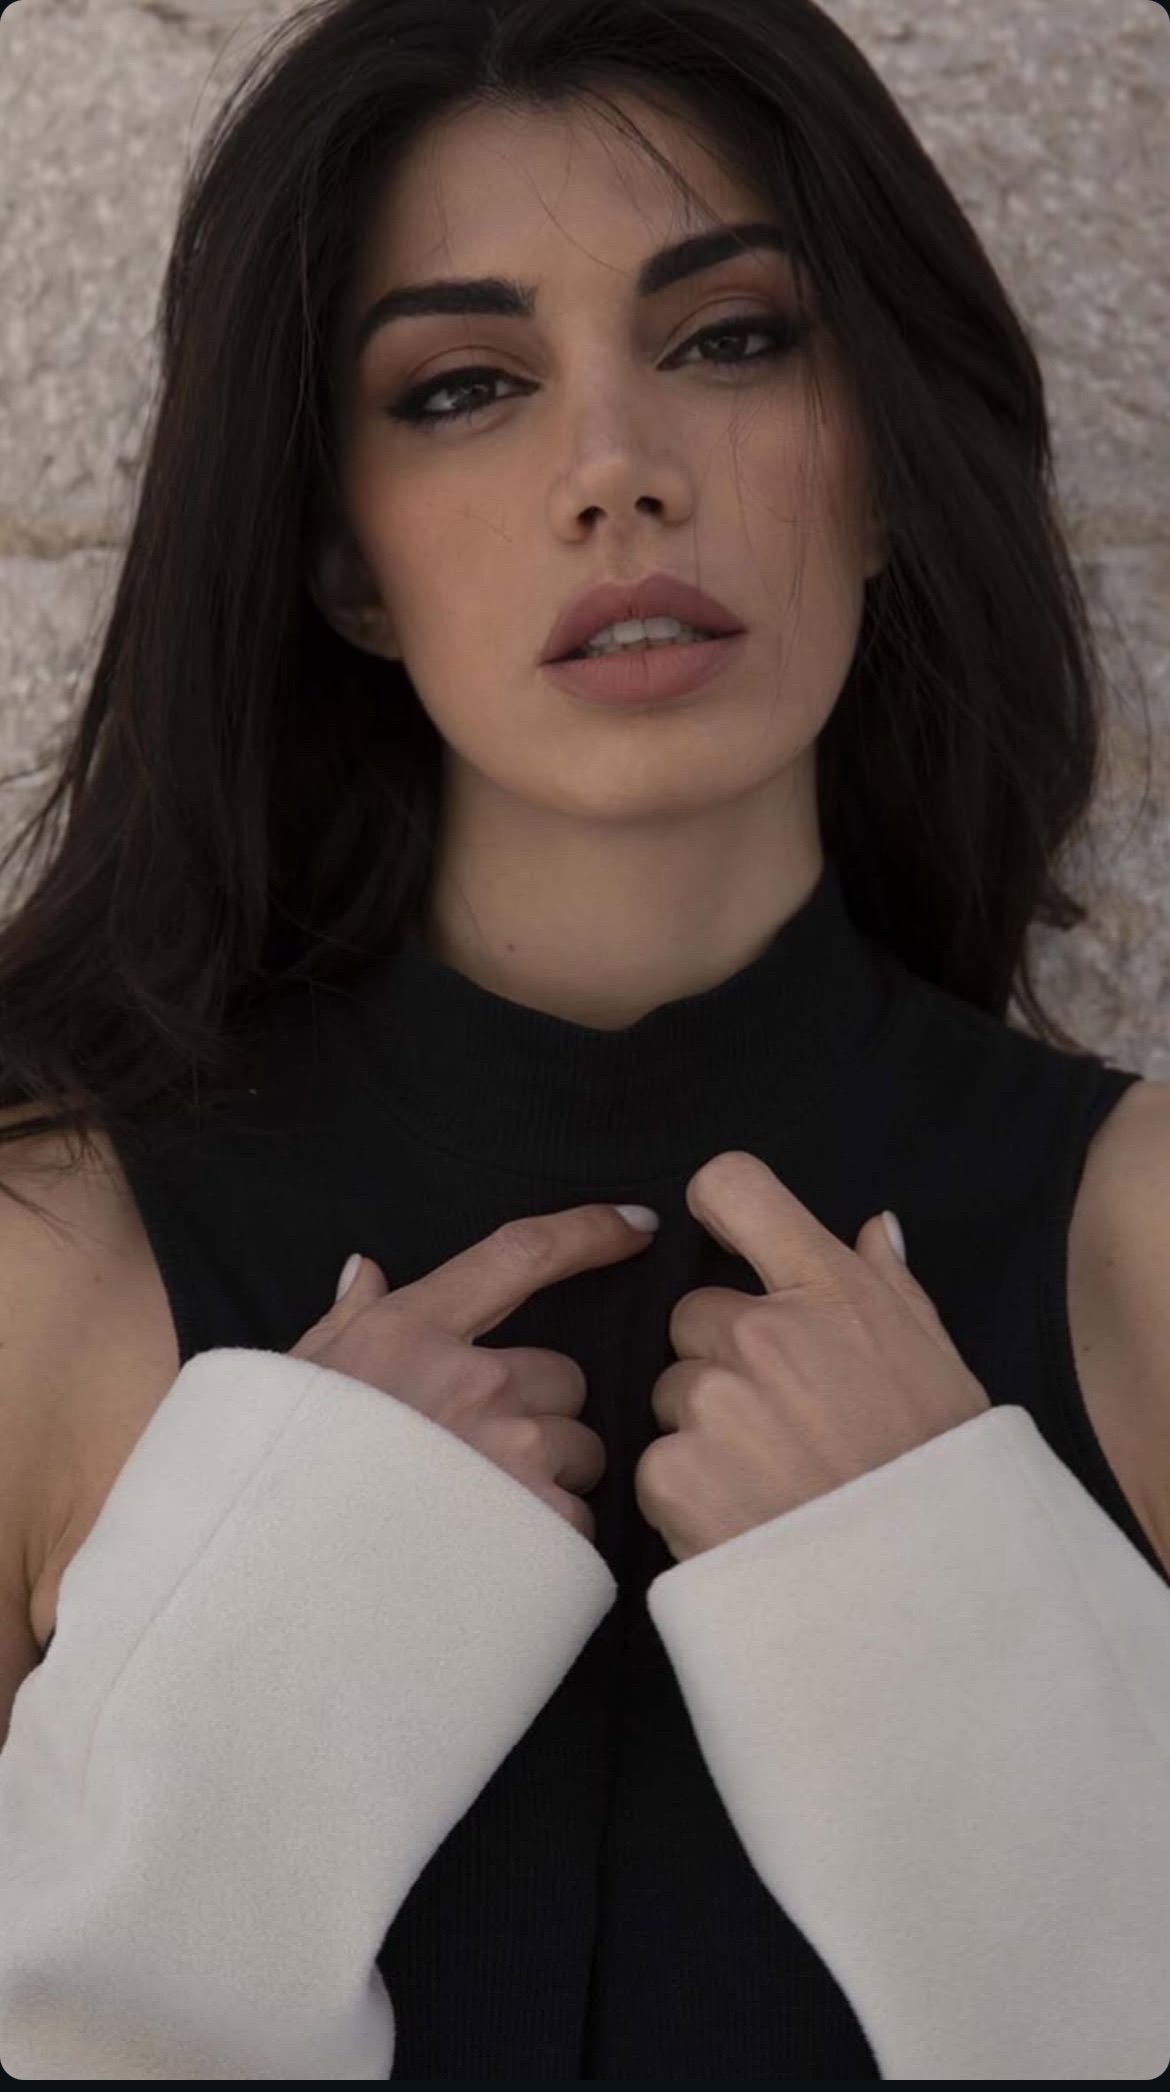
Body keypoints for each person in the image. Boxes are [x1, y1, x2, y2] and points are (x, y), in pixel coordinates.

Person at [0, 0, 1168, 2077]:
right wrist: (246, 1692)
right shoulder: (46, 1261)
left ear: (886, 460)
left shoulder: (1143, 1252)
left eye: (733, 339)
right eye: (462, 386)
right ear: (341, 553)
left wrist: (955, 1629)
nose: (617, 469)